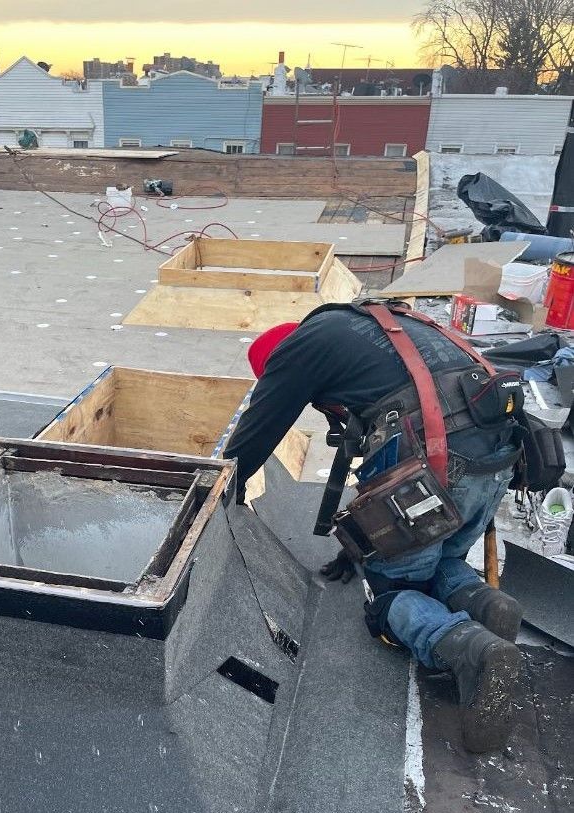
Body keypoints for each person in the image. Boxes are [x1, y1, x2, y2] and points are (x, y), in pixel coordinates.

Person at [224, 301, 524, 754]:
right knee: (441, 556)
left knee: (392, 595)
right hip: (498, 455)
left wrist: (219, 491)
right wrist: (362, 543)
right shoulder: (378, 326)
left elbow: (257, 431)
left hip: (438, 462)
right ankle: (485, 603)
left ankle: (472, 651)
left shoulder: (297, 351)